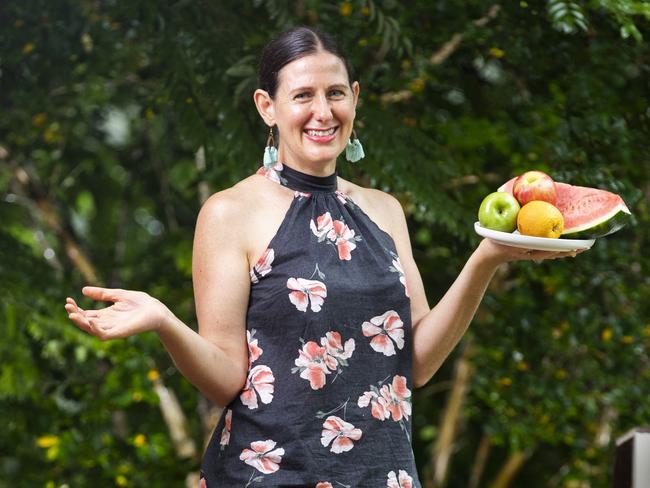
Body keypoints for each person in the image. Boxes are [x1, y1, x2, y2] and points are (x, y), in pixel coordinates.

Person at [65, 26, 580, 487]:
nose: (322, 111)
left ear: (354, 98)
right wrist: (164, 321)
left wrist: (486, 257)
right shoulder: (228, 212)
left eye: (335, 93)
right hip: (266, 475)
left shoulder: (384, 210)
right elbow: (227, 379)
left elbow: (417, 362)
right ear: (267, 106)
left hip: (383, 474)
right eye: (302, 95)